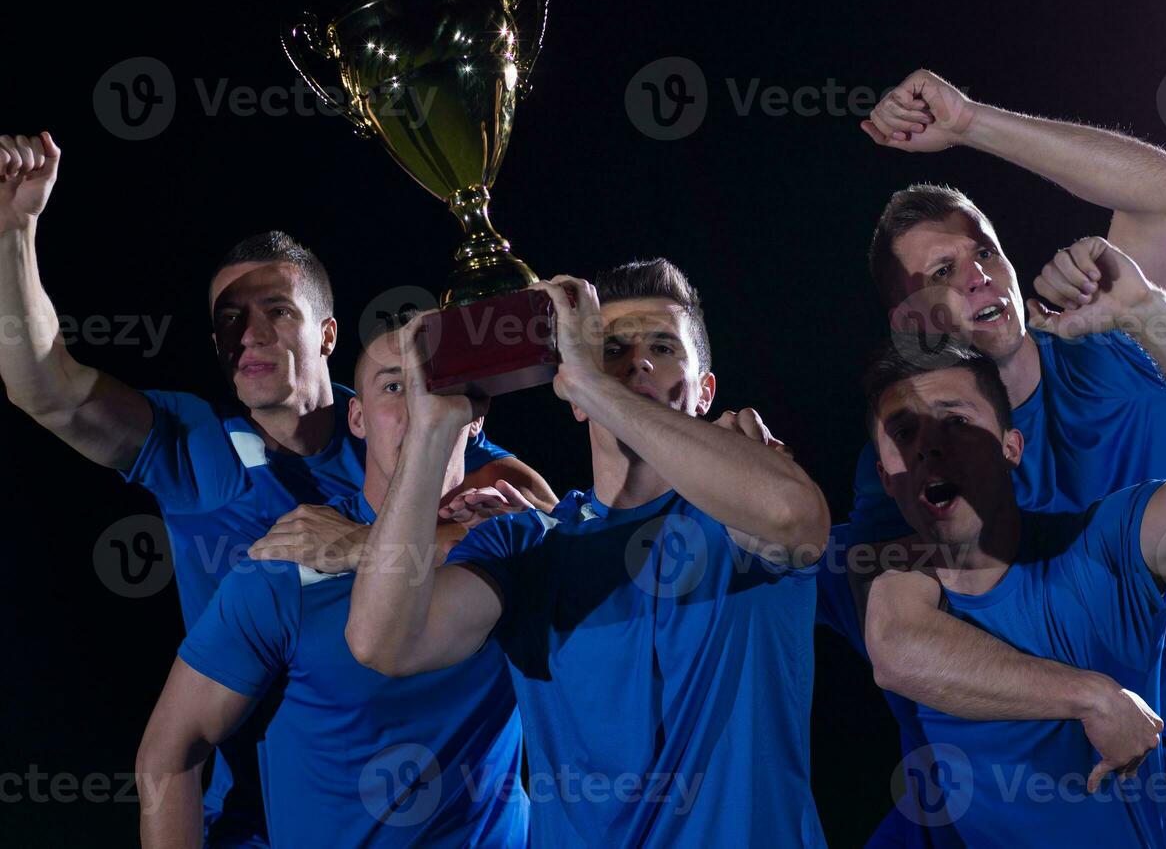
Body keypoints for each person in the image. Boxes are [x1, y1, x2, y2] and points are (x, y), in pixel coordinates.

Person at [0, 132, 554, 847]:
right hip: (262, 814)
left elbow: (535, 514)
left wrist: (364, 546)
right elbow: (46, 387)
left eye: (276, 311)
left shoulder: (395, 418)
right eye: (228, 319)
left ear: (326, 334)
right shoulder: (192, 446)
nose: (248, 333)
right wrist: (16, 231)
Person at [818, 71, 1166, 846]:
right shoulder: (898, 463)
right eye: (940, 274)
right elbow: (898, 638)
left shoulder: (1109, 349)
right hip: (996, 773)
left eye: (981, 251)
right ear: (909, 320)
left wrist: (970, 122)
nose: (977, 274)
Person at [346, 259, 832, 847]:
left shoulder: (737, 512)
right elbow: (382, 641)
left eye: (662, 346)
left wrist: (597, 383)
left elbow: (796, 519)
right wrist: (431, 430)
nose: (639, 362)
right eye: (612, 349)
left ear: (706, 391)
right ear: (573, 400)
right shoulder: (526, 542)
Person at [859, 234, 1166, 844]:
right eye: (905, 433)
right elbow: (896, 651)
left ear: (1013, 448)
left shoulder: (1106, 551)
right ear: (887, 478)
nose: (930, 446)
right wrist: (1092, 697)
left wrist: (1148, 313)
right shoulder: (897, 590)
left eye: (957, 423)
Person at [135, 314, 529, 847]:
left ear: (475, 416)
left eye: (438, 387)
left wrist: (373, 548)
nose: (420, 408)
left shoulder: (521, 542)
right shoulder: (287, 567)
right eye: (394, 386)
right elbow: (167, 757)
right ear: (358, 419)